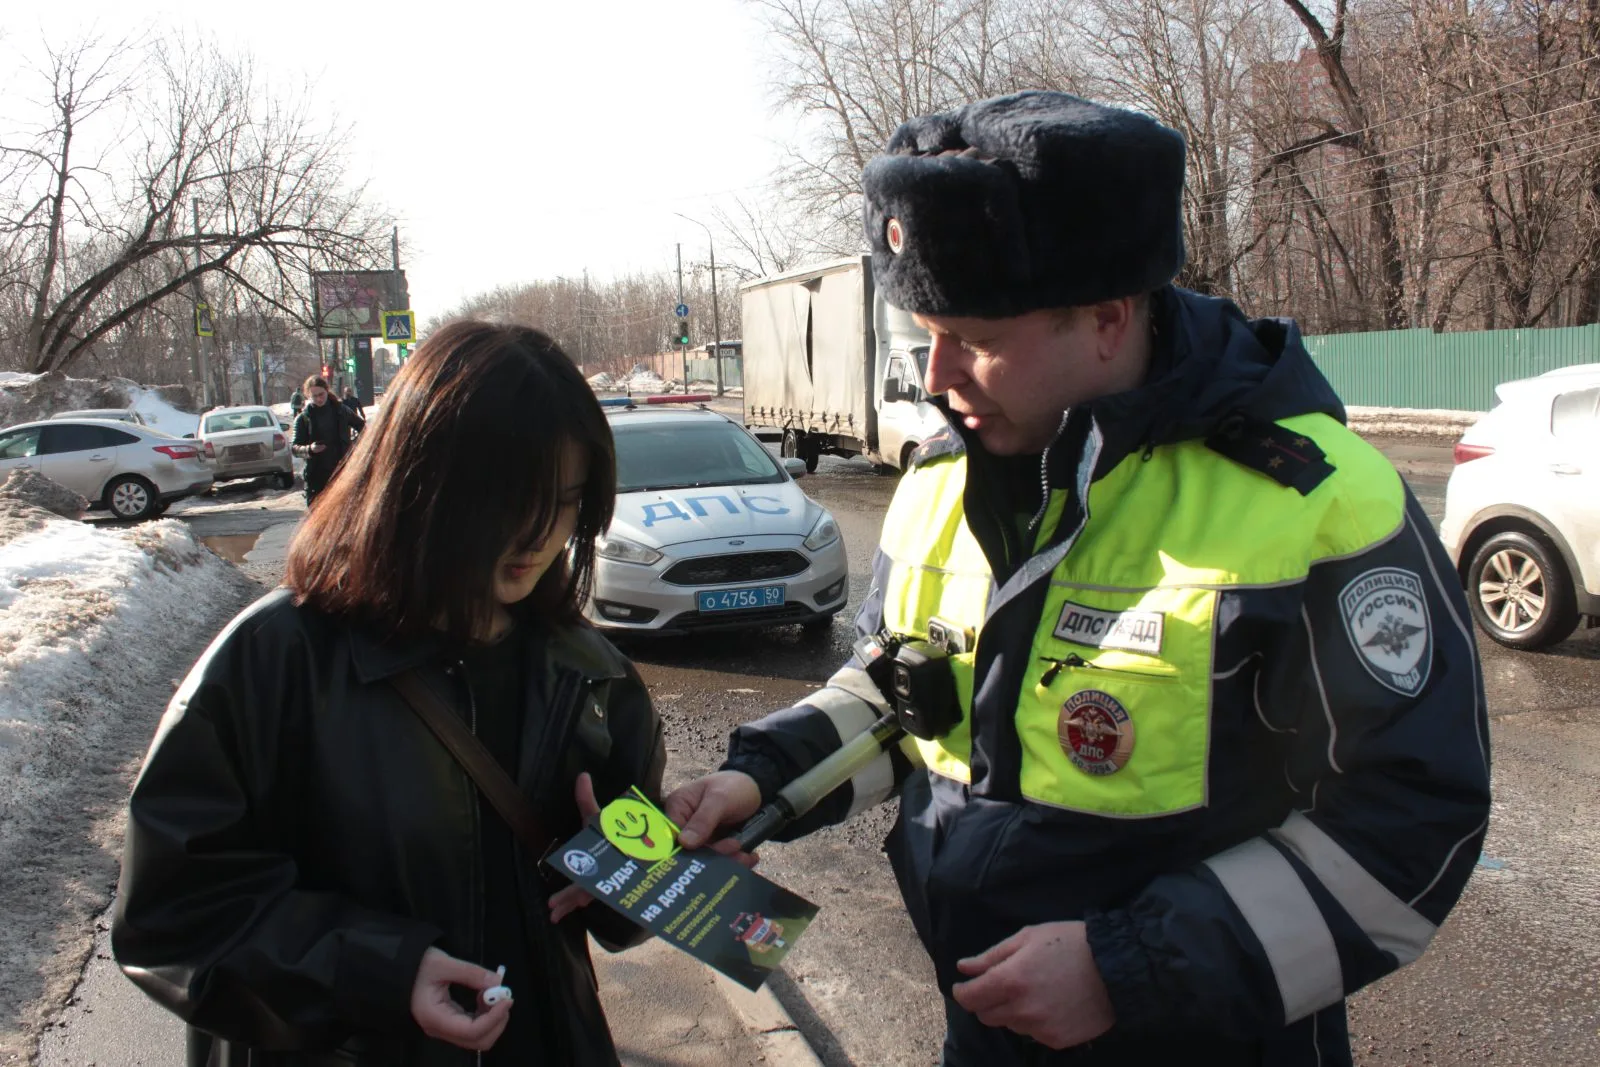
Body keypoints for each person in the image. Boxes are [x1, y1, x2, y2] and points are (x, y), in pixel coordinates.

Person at [665, 91, 1491, 1066]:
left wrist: (1125, 966)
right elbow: (904, 694)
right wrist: (756, 779)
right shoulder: (940, 474)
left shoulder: (1313, 498)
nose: (934, 377)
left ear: (1105, 319)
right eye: (921, 332)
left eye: (972, 338)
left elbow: (1412, 821)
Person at [112, 322, 666, 1066]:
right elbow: (169, 917)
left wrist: (658, 871)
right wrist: (382, 969)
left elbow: (622, 905)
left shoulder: (589, 672)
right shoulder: (276, 662)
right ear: (418, 482)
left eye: (565, 500)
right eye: (510, 498)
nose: (539, 534)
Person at [291, 375, 360, 506]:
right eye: (314, 396)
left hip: (343, 472)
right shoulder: (303, 419)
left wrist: (354, 447)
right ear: (308, 396)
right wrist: (309, 449)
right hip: (317, 477)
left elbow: (363, 428)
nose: (319, 399)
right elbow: (294, 448)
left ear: (327, 390)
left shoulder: (341, 411)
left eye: (321, 394)